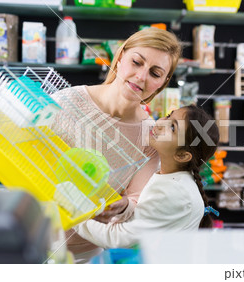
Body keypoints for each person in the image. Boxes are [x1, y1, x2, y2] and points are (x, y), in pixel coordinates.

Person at [49, 27, 182, 261]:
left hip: (84, 256)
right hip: (33, 239)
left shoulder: (149, 137)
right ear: (120, 57)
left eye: (155, 73)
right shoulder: (66, 102)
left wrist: (124, 207)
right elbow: (21, 146)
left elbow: (136, 201)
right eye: (137, 62)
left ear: (162, 83)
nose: (141, 76)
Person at [73, 105, 220, 248]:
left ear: (182, 155)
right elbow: (147, 220)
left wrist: (72, 207)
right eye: (169, 116)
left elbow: (115, 237)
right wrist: (126, 209)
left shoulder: (174, 192)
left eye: (173, 127)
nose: (161, 122)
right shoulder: (171, 177)